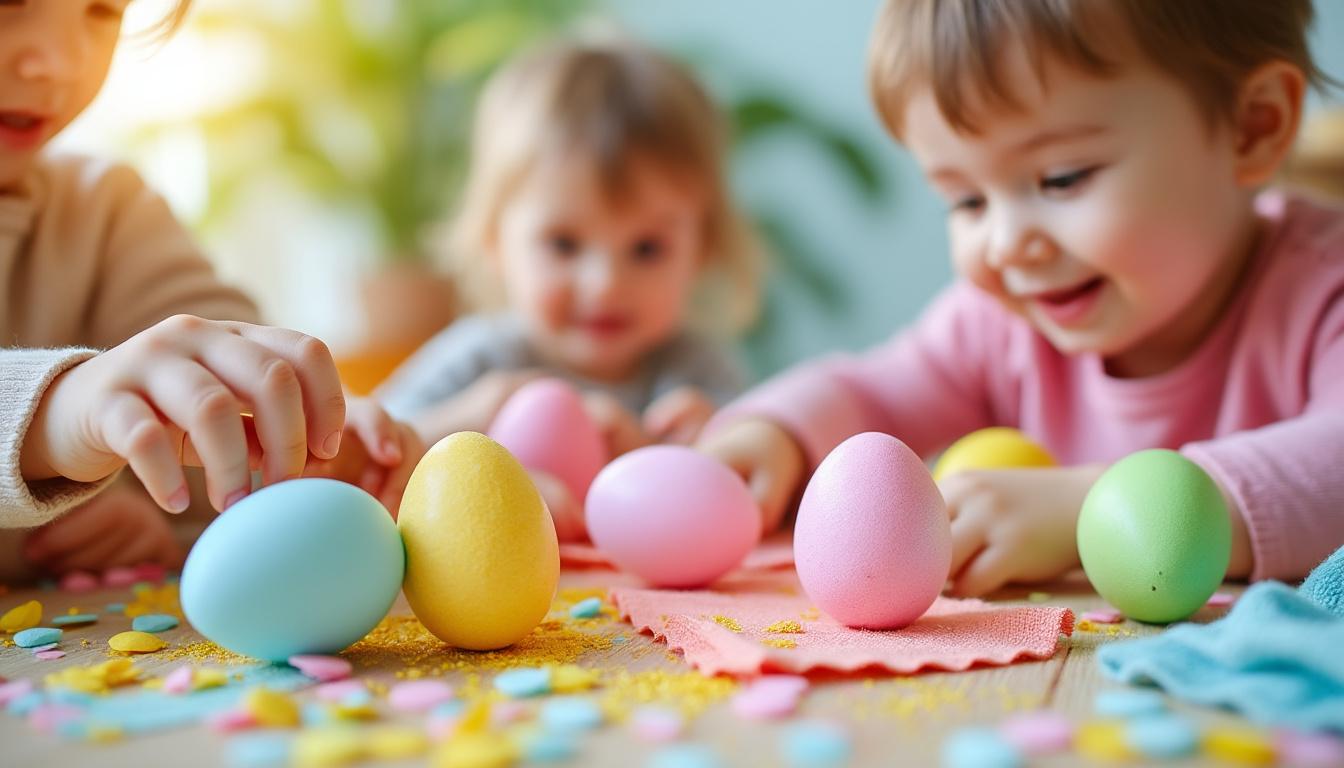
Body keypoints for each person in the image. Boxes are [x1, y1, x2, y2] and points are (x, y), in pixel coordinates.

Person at [701, 0, 1344, 595]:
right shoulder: (1002, 326)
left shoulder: (1322, 289)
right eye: (967, 200)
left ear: (1253, 127)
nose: (1006, 245)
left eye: (1061, 178)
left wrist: (1089, 511)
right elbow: (877, 389)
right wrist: (777, 432)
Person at [0, 0, 420, 579]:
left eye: (101, 11)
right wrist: (61, 411)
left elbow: (227, 404)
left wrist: (324, 445)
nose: (65, 62)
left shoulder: (107, 212)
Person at [378, 37, 764, 537]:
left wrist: (700, 450)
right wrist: (475, 427)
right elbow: (376, 453)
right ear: (495, 240)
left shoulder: (696, 372)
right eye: (563, 245)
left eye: (647, 249)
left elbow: (745, 498)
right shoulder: (481, 362)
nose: (604, 286)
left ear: (702, 249)